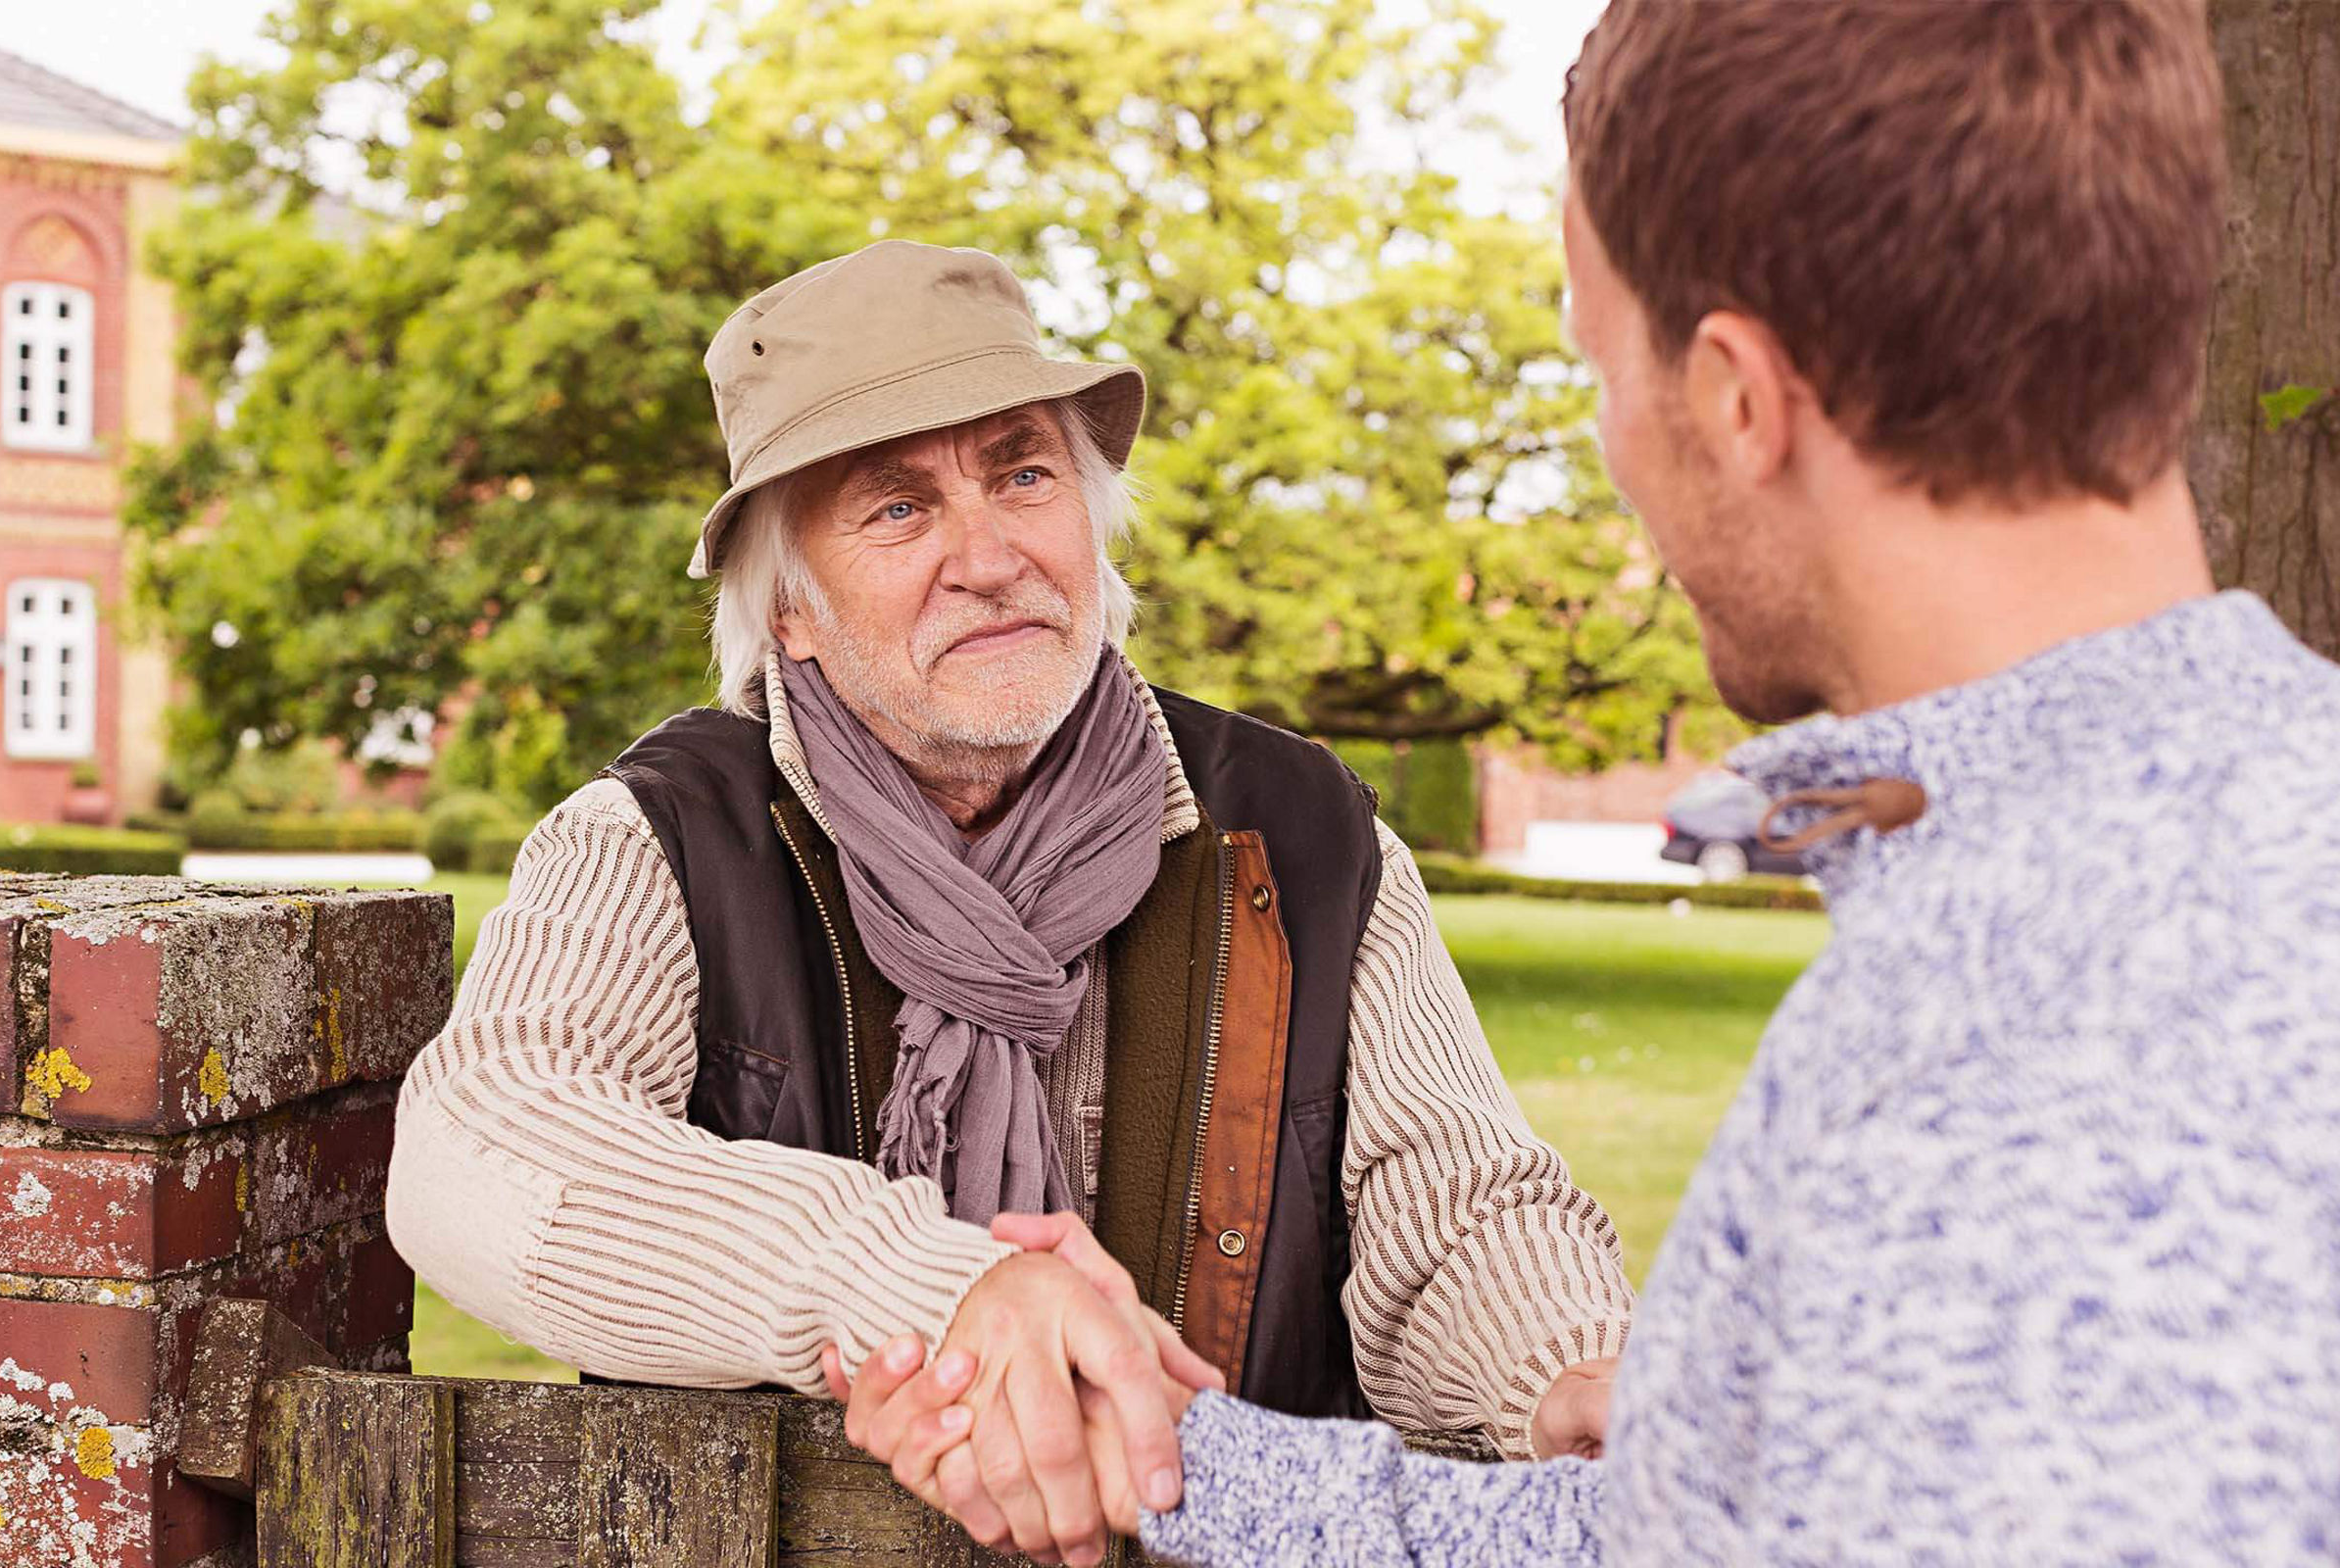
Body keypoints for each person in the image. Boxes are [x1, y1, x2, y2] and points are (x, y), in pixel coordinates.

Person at [837, 2, 2340, 1562]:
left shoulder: (2022, 1047)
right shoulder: (2144, 879)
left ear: (1737, 400)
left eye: (1599, 364)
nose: (1613, 449)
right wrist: (1178, 1467)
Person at [384, 238, 1633, 1567]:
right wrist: (935, 1291)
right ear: (792, 610)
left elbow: (1451, 1206)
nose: (989, 556)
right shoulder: (663, 836)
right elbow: (487, 1149)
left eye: (1022, 475)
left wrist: (1563, 1376)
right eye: (897, 507)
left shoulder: (1305, 835)